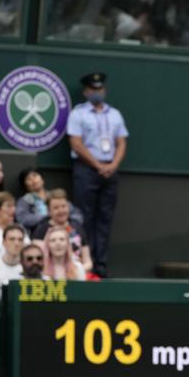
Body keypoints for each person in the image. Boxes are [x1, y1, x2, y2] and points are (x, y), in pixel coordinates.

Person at [67, 71, 129, 278]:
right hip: (86, 169)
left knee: (105, 218)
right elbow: (76, 143)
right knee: (84, 217)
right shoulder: (78, 113)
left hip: (110, 170)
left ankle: (101, 266)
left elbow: (121, 143)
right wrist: (96, 164)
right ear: (86, 92)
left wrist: (112, 165)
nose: (97, 92)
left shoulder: (115, 114)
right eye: (93, 89)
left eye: (100, 89)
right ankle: (87, 264)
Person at [31, 189, 93, 275]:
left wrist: (78, 270)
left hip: (76, 275)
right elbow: (37, 260)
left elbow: (88, 262)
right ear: (49, 211)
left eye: (63, 206)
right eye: (56, 208)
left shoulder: (77, 227)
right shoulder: (41, 230)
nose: (61, 211)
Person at [16, 167, 83, 231]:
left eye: (35, 176)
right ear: (24, 184)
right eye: (28, 179)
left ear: (42, 178)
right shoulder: (24, 201)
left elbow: (78, 216)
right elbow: (22, 219)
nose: (33, 180)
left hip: (64, 231)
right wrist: (48, 216)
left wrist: (62, 219)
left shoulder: (55, 196)